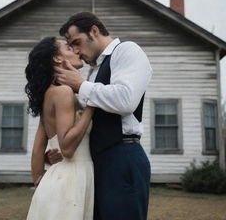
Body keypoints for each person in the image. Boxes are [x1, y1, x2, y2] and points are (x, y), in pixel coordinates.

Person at [54, 12, 153, 220]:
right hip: (95, 163)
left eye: (77, 42)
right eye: (71, 46)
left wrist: (80, 85)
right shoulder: (92, 72)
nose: (76, 51)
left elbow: (126, 100)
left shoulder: (127, 51)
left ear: (94, 31)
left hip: (123, 157)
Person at [25, 37, 94, 220]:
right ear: (57, 58)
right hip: (71, 179)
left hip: (58, 181)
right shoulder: (63, 92)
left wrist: (41, 180)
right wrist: (92, 107)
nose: (77, 51)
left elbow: (37, 151)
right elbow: (68, 148)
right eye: (69, 48)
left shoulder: (49, 94)